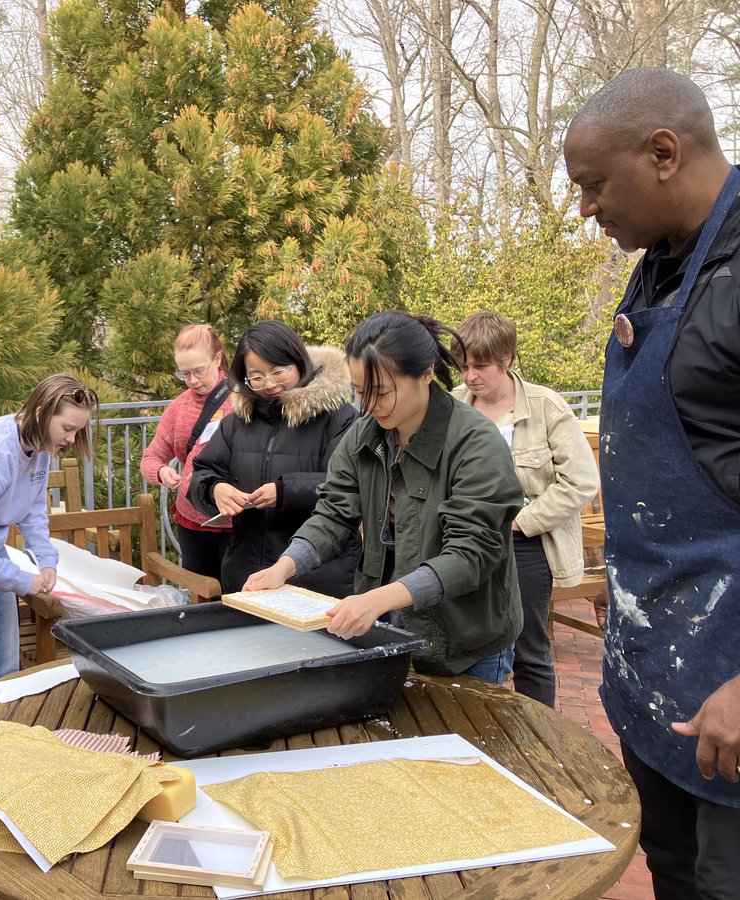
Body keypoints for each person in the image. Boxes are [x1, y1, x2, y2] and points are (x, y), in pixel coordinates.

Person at [564, 67, 740, 897]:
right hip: (657, 676)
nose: (585, 208)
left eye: (595, 184)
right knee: (673, 874)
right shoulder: (661, 264)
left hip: (732, 692)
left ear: (663, 153)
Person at [243, 311, 524, 681]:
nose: (369, 404)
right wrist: (285, 566)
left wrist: (377, 600)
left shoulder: (476, 443)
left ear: (426, 374)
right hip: (390, 623)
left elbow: (470, 554)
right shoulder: (363, 436)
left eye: (382, 391)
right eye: (360, 391)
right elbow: (334, 513)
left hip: (466, 635)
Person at [452, 311, 599, 706]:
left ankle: (538, 733)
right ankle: (480, 724)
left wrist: (522, 521)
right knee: (468, 642)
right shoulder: (452, 404)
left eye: (480, 366)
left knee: (528, 648)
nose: (470, 377)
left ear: (507, 359)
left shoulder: (546, 406)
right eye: (463, 366)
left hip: (526, 544)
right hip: (466, 540)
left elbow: (581, 480)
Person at [188, 319, 360, 596]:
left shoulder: (340, 418)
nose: (269, 384)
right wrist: (215, 490)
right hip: (247, 576)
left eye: (279, 371)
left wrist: (284, 491)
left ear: (299, 362)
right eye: (256, 377)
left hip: (318, 577)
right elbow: (201, 474)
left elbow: (348, 486)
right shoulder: (237, 422)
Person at [0, 373, 97, 685]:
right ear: (41, 413)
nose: (71, 439)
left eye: (78, 431)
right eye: (67, 428)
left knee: (6, 658)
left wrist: (46, 560)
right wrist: (22, 581)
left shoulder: (41, 445)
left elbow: (33, 510)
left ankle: (7, 713)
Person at [140, 325, 233, 583]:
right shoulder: (178, 408)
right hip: (191, 521)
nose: (192, 380)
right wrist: (161, 472)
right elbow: (150, 458)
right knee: (200, 590)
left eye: (199, 370)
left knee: (237, 595)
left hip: (237, 520)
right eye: (184, 373)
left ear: (217, 358)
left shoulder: (242, 401)